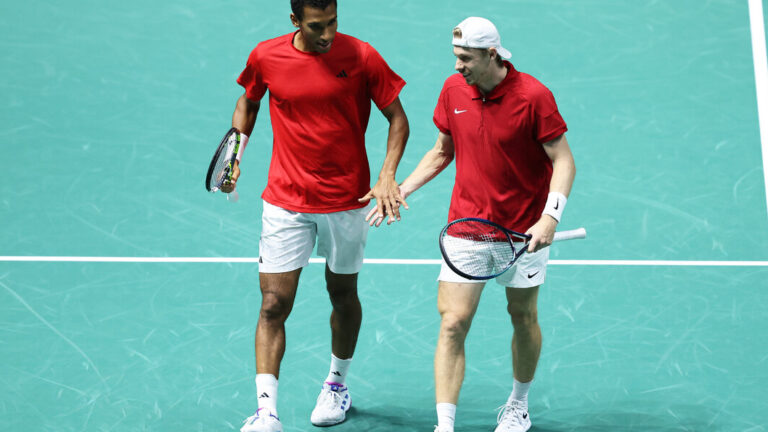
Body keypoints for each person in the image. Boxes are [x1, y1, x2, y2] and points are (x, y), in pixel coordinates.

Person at [370, 16, 575, 432]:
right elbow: (442, 150)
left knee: (523, 316)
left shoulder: (534, 96)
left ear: (491, 55)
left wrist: (550, 217)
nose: (458, 65)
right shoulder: (453, 90)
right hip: (467, 228)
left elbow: (563, 160)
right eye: (455, 57)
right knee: (452, 322)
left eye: (465, 58)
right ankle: (444, 426)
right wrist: (403, 188)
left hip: (523, 232)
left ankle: (518, 404)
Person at [226, 1, 409, 431]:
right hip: (285, 199)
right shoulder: (266, 56)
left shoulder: (362, 56)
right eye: (315, 26)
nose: (326, 33)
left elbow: (398, 120)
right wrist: (235, 152)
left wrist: (386, 176)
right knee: (273, 303)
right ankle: (267, 411)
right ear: (294, 21)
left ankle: (336, 386)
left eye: (332, 23)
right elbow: (249, 103)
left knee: (342, 295)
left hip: (347, 201)